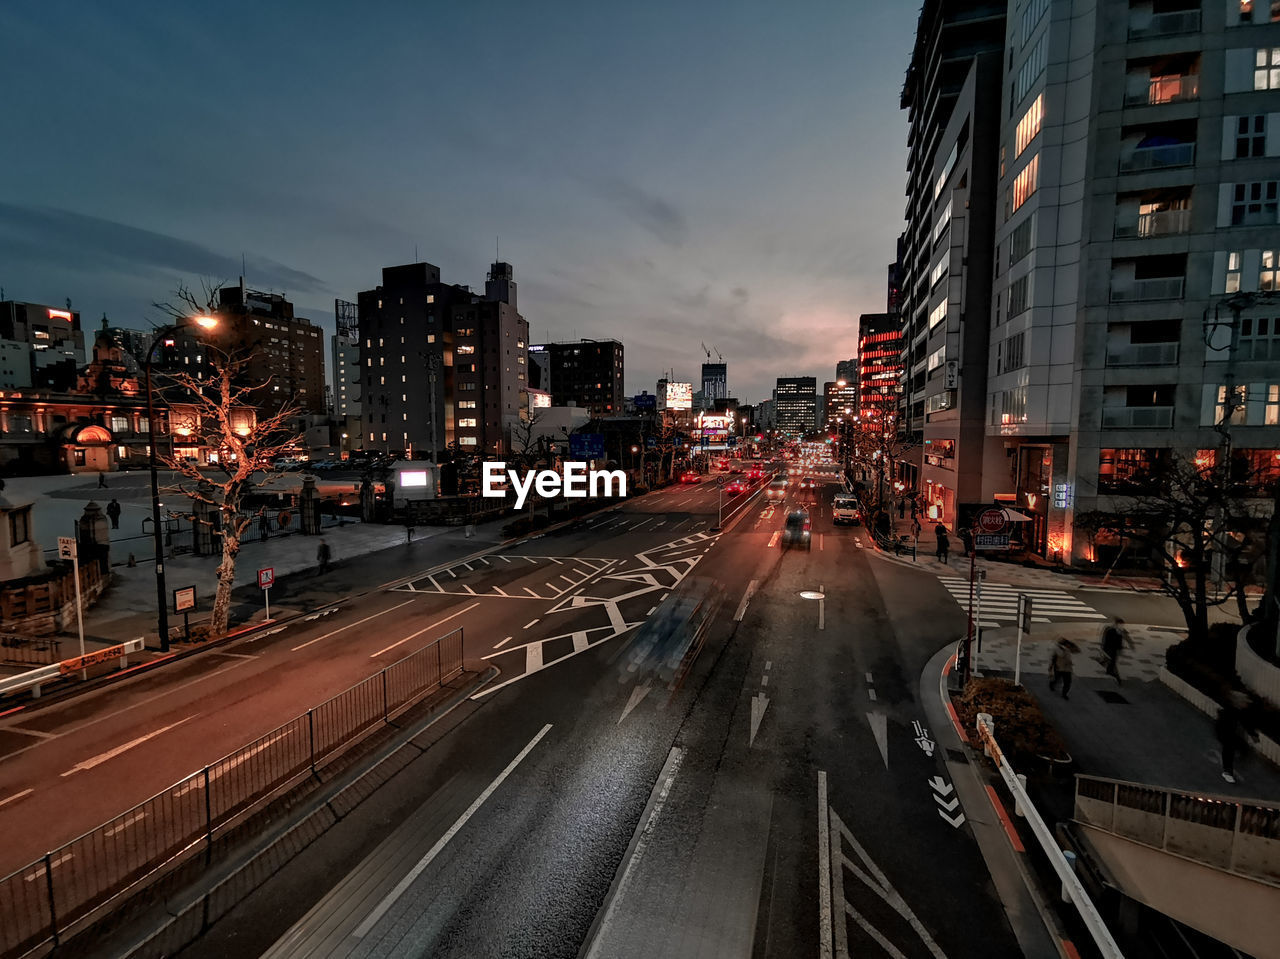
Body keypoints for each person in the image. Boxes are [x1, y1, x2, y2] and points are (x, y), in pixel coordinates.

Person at [1215, 691, 1259, 784]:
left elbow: (1245, 723)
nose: (1246, 704)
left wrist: (1252, 734)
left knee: (1234, 748)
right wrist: (1253, 735)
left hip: (1227, 734)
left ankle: (1231, 766)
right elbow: (1245, 723)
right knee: (1230, 749)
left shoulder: (1236, 710)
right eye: (1244, 702)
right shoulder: (1234, 711)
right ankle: (1228, 769)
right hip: (1225, 734)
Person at [1101, 617, 1130, 684]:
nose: (1122, 626)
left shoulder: (1120, 632)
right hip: (1109, 650)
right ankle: (1118, 679)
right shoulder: (1111, 631)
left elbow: (1119, 643)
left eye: (1122, 625)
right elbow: (1107, 641)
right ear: (1117, 624)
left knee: (1112, 663)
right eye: (1120, 625)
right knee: (1113, 664)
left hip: (1114, 651)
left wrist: (1121, 649)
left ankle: (1107, 667)